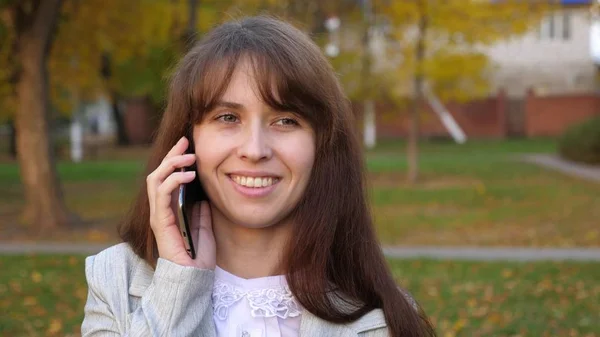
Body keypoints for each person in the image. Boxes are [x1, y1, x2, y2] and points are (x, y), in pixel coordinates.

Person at [81, 15, 436, 337]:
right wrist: (177, 287)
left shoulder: (383, 321)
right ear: (186, 140)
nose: (254, 149)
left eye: (286, 121)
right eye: (227, 118)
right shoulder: (115, 281)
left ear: (322, 146)